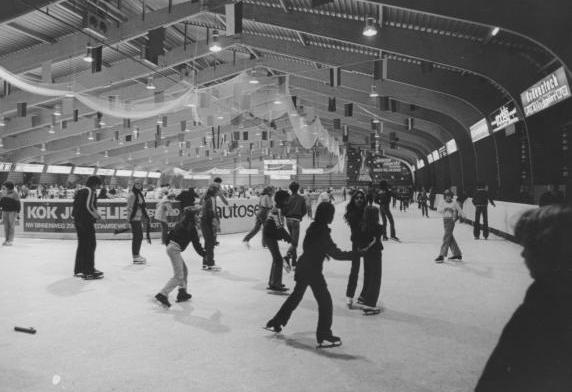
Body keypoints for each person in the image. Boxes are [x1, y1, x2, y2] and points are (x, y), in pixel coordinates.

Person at [475, 204, 572, 392]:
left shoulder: (544, 308)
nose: (522, 253)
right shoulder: (542, 297)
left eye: (528, 246)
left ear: (548, 251)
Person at [264, 202, 355, 348]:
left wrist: (321, 251)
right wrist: (356, 255)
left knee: (296, 297)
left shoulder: (313, 227)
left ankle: (276, 322)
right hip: (312, 270)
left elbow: (308, 246)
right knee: (325, 302)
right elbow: (336, 254)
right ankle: (324, 335)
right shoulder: (322, 231)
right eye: (331, 214)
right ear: (328, 215)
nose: (332, 217)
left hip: (303, 266)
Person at [154, 207, 206, 308]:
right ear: (191, 216)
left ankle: (182, 292)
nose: (198, 216)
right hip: (174, 249)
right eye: (196, 214)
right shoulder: (191, 228)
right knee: (178, 276)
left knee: (184, 271)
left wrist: (170, 246)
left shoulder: (181, 224)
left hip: (172, 248)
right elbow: (197, 245)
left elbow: (169, 236)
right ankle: (163, 294)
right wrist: (205, 255)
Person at [72, 176, 103, 280]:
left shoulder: (82, 191)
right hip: (85, 222)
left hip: (79, 221)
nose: (98, 187)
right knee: (90, 245)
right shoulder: (89, 191)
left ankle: (79, 270)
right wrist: (97, 215)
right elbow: (89, 206)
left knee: (82, 245)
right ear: (94, 184)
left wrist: (96, 214)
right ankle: (88, 271)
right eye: (98, 185)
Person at [263, 190, 292, 292]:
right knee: (278, 259)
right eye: (287, 200)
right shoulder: (277, 210)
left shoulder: (277, 208)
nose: (288, 202)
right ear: (282, 200)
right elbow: (279, 227)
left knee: (277, 259)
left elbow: (279, 227)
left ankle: (273, 283)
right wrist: (289, 238)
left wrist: (286, 237)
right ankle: (276, 284)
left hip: (270, 235)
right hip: (269, 236)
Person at [358, 205, 384, 314]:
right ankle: (370, 304)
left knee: (368, 275)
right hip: (375, 253)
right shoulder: (379, 227)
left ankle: (363, 296)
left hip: (366, 254)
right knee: (375, 278)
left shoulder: (362, 226)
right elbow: (377, 237)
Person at [344, 189, 368, 307]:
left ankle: (364, 295)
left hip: (368, 244)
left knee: (368, 272)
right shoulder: (352, 213)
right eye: (357, 198)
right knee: (355, 270)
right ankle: (349, 296)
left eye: (361, 197)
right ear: (353, 200)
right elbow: (356, 231)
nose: (359, 199)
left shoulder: (367, 211)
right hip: (357, 244)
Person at [434, 189, 464, 263]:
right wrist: (445, 209)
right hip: (445, 220)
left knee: (446, 237)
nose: (448, 198)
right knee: (450, 237)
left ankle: (442, 255)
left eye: (450, 196)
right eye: (447, 196)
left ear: (451, 196)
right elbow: (438, 210)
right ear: (445, 197)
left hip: (451, 221)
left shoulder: (454, 203)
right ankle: (457, 254)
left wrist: (462, 215)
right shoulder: (442, 202)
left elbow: (460, 210)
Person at [283, 181, 307, 270]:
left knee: (293, 240)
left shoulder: (287, 198)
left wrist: (287, 216)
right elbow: (304, 210)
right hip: (296, 221)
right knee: (295, 243)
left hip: (288, 220)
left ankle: (294, 262)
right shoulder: (301, 198)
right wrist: (300, 217)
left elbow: (284, 210)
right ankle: (287, 256)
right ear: (298, 188)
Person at [127, 180, 149, 264]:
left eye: (140, 184)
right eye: (137, 183)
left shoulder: (139, 194)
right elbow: (129, 208)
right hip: (134, 219)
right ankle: (135, 256)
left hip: (138, 218)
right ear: (134, 185)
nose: (139, 185)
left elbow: (142, 205)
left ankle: (137, 255)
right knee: (137, 237)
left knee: (139, 237)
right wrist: (128, 220)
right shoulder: (132, 194)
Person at [200, 185, 221, 271]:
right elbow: (212, 212)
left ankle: (206, 263)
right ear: (215, 192)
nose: (219, 193)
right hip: (207, 222)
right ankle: (210, 264)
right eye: (218, 191)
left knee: (207, 243)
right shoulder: (212, 199)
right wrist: (216, 223)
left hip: (204, 222)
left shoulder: (206, 197)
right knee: (210, 243)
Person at [0, 181, 21, 246]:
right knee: (6, 226)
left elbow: (18, 203)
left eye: (5, 186)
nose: (3, 188)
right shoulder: (3, 192)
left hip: (12, 211)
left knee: (11, 226)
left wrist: (18, 212)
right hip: (4, 211)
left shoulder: (15, 194)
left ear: (9, 187)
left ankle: (10, 240)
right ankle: (6, 240)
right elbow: (1, 202)